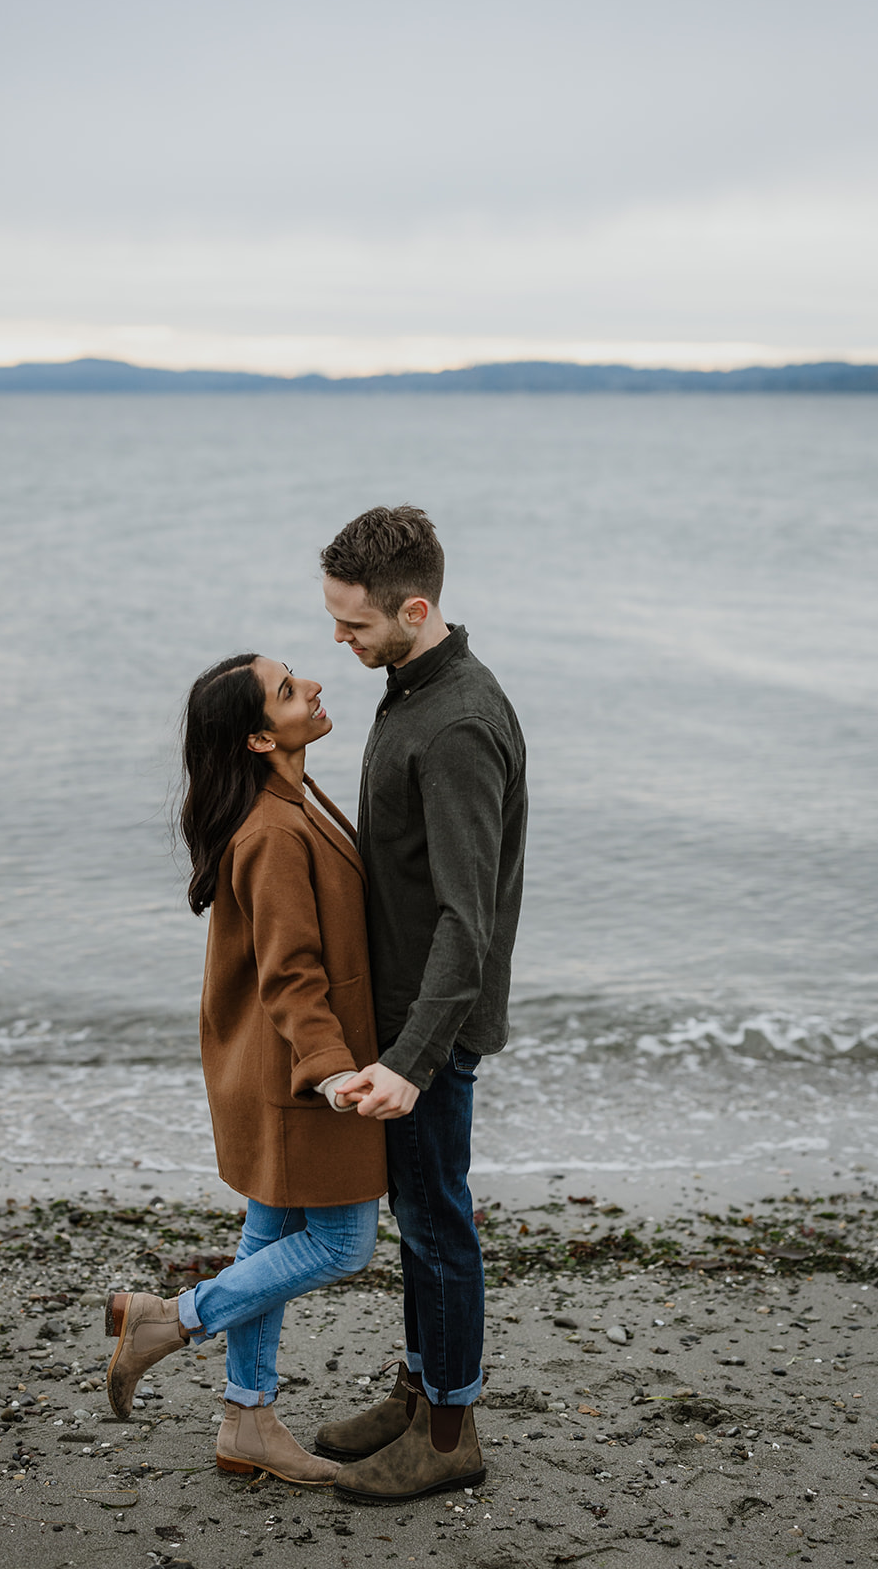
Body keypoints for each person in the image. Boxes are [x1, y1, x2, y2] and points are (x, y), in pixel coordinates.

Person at [103, 652, 387, 1485]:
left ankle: (247, 1421)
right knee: (341, 1245)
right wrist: (335, 1072)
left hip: (272, 1063)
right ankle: (173, 1319)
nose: (317, 688)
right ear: (261, 737)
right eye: (292, 690)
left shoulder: (293, 800)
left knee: (271, 1237)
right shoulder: (271, 830)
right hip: (295, 1074)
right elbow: (290, 973)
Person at [316, 506, 527, 1503]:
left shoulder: (459, 723)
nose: (340, 640)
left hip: (429, 1029)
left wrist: (410, 1056)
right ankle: (416, 1392)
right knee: (420, 1214)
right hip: (401, 1015)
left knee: (438, 1220)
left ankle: (448, 1430)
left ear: (417, 607)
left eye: (354, 625)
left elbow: (466, 916)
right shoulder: (409, 685)